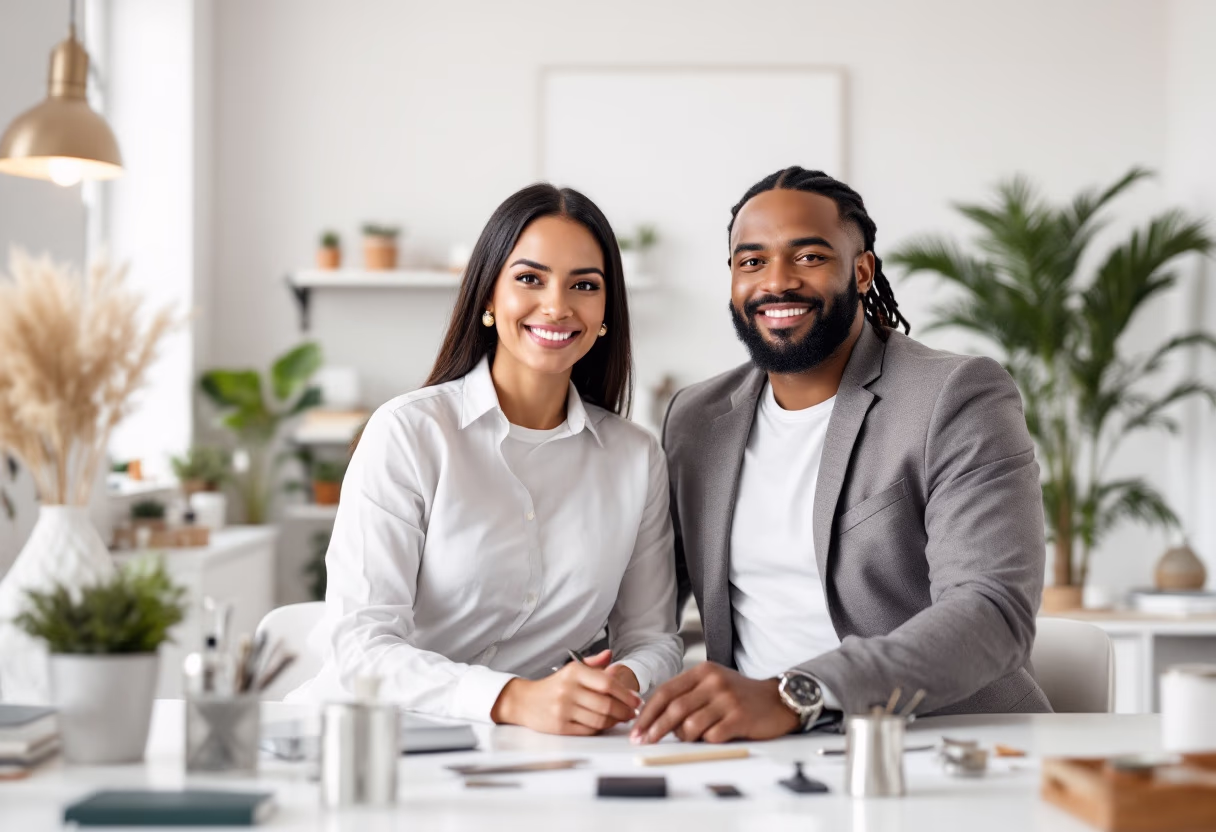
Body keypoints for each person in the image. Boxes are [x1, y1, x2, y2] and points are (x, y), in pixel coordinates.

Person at [631, 167, 1050, 746]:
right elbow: (646, 600)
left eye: (808, 257)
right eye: (751, 261)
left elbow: (991, 610)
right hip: (756, 758)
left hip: (939, 745)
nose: (776, 282)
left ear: (861, 270)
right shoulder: (696, 417)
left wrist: (793, 693)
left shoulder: (955, 395)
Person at [289, 184, 682, 735]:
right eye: (529, 278)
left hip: (525, 755)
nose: (557, 305)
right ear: (488, 299)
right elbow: (361, 643)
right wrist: (514, 699)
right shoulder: (409, 433)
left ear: (606, 314)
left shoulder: (636, 459)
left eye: (584, 285)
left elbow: (653, 638)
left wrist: (625, 681)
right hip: (365, 742)